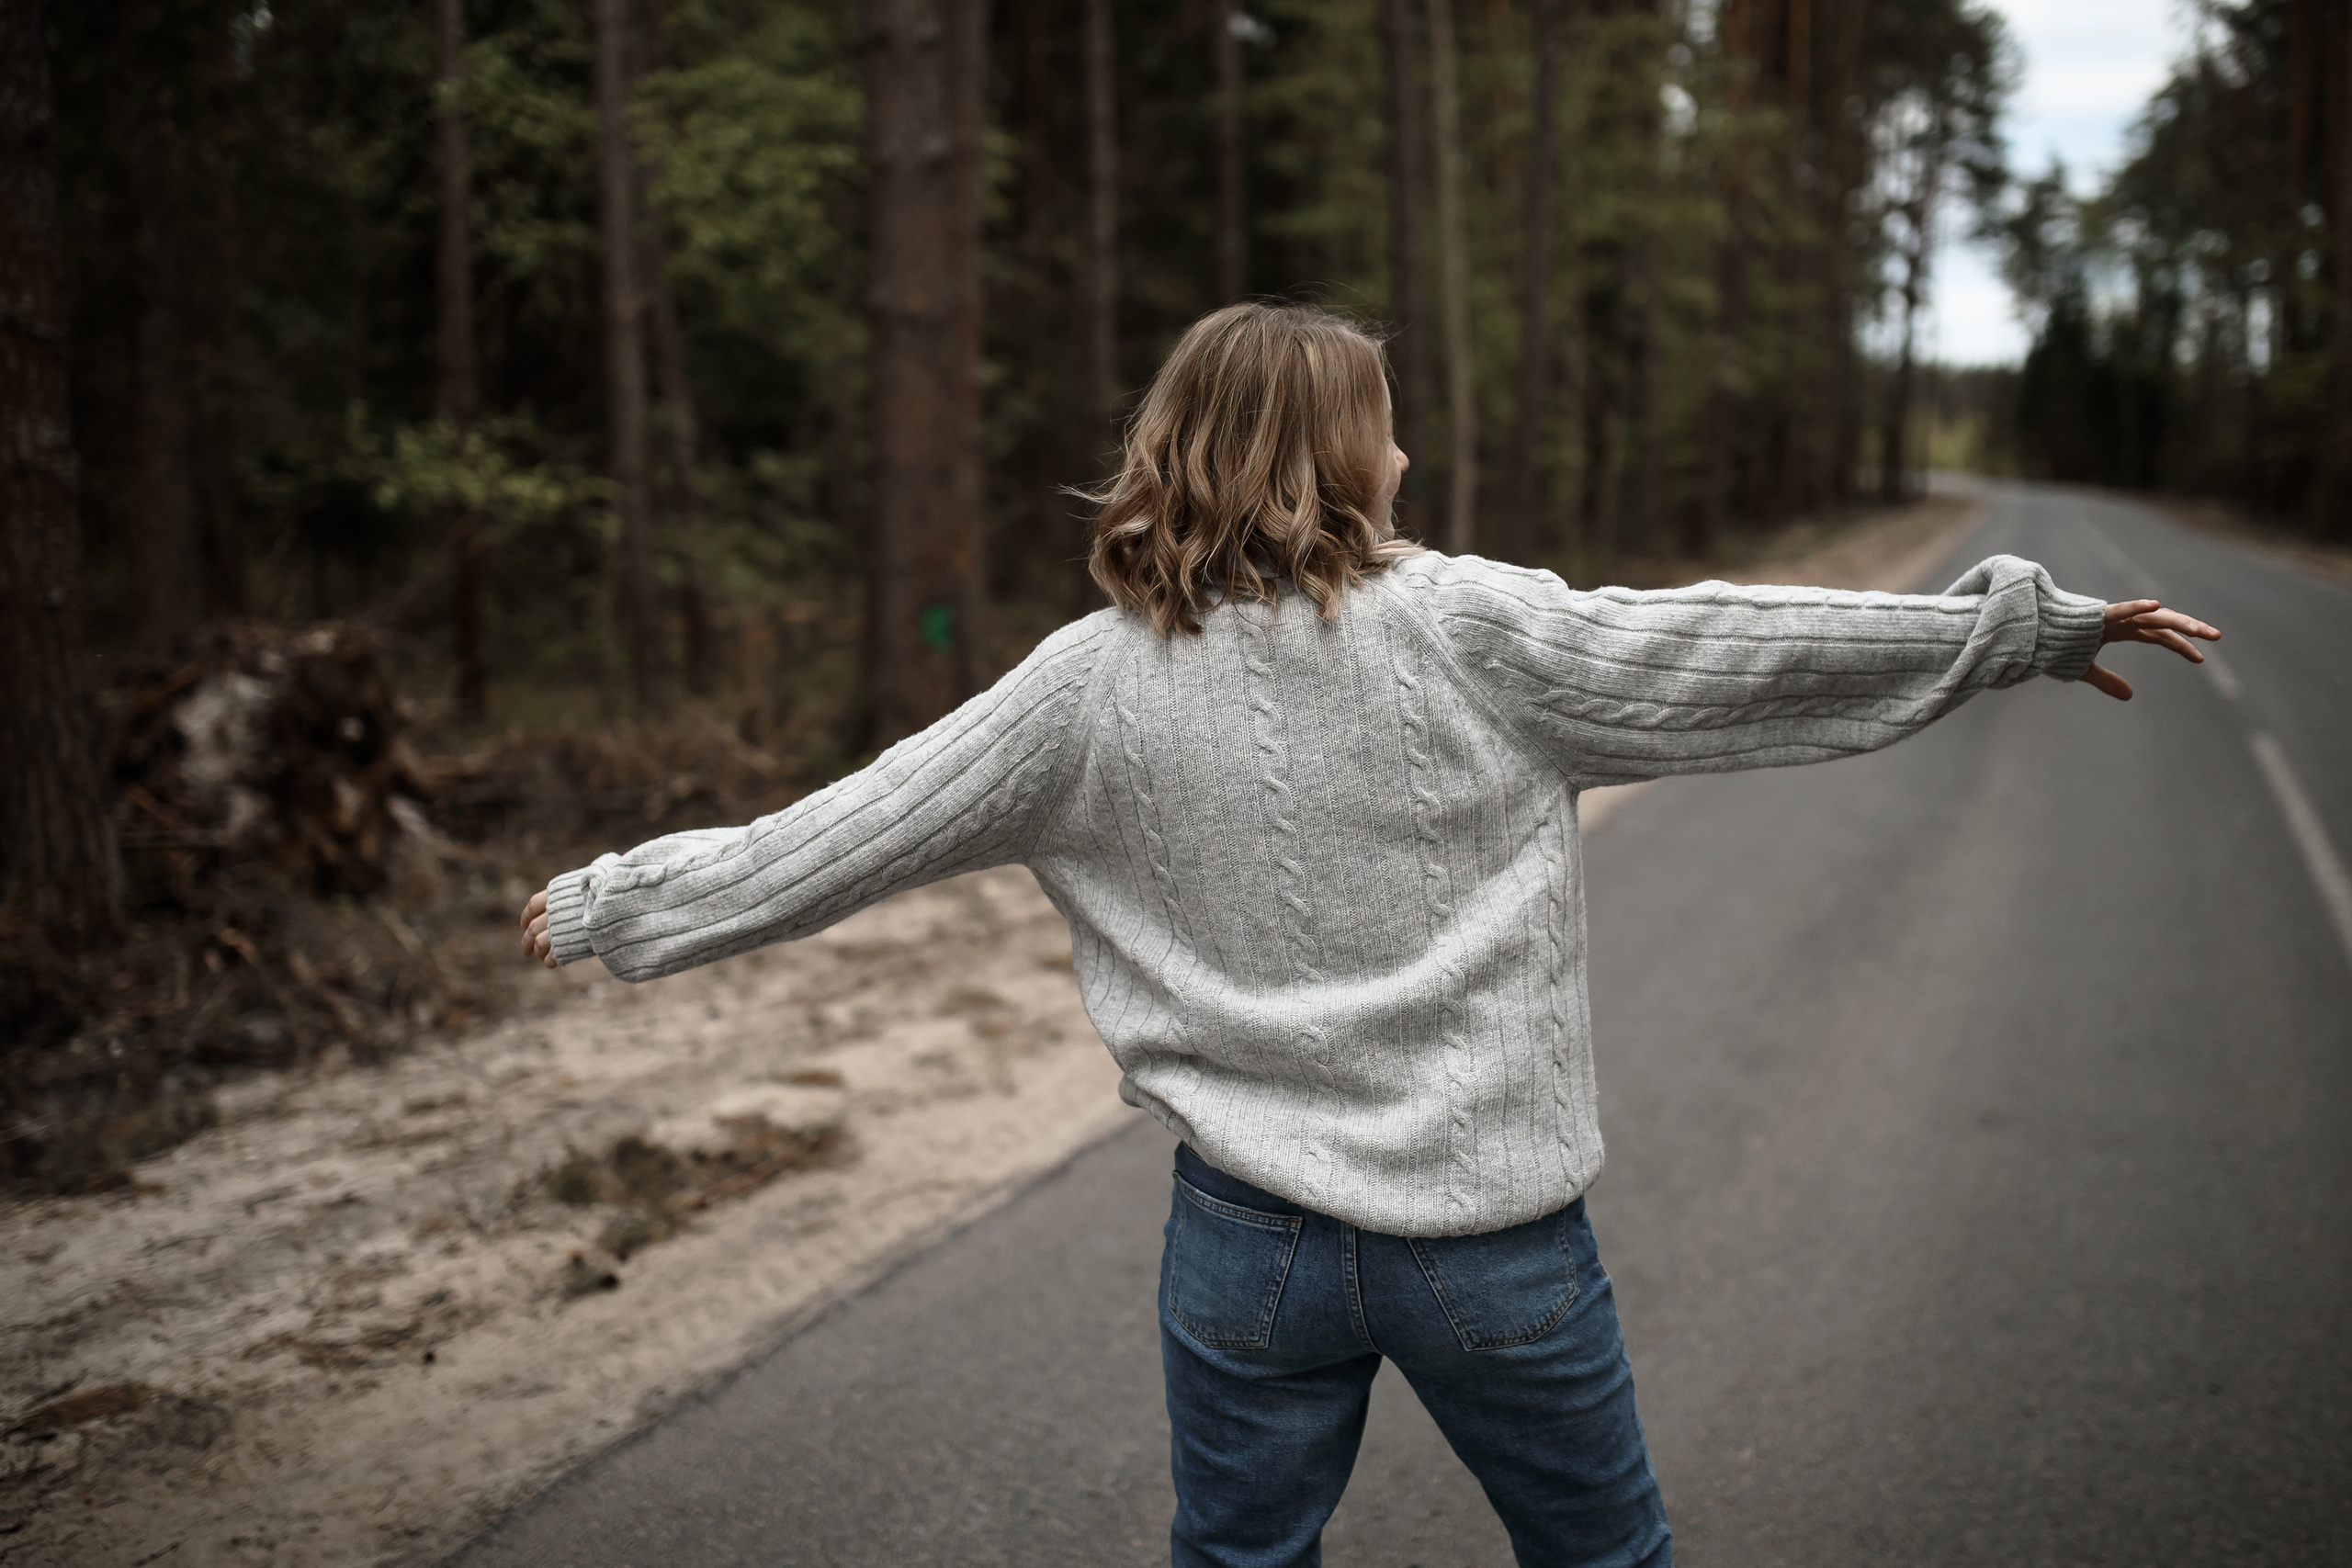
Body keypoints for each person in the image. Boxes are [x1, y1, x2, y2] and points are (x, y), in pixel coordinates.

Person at [517, 302, 2219, 1568]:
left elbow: (845, 831)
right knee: (1607, 1564)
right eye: (1386, 427)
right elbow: (1725, 647)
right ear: (1337, 453)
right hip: (1496, 1244)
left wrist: (622, 901)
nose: (1406, 455)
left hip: (1244, 1247)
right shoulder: (1473, 629)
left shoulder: (1084, 686)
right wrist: (2018, 630)